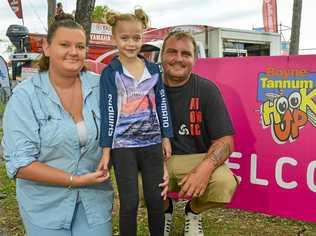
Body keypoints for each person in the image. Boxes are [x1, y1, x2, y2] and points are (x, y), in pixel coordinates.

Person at [1, 15, 113, 236]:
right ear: (47, 47)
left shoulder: (103, 87)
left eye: (80, 46)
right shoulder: (26, 97)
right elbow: (20, 163)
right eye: (65, 44)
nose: (73, 51)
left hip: (94, 200)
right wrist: (76, 180)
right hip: (45, 205)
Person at [97, 9, 173, 236]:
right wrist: (106, 150)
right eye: (124, 38)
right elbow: (108, 111)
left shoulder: (153, 70)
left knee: (155, 200)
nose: (131, 43)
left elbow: (162, 105)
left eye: (136, 38)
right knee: (129, 203)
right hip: (123, 148)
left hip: (151, 144)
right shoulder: (111, 72)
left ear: (144, 37)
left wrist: (166, 136)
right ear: (114, 38)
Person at [161, 31, 239, 236]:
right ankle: (164, 209)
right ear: (162, 56)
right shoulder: (148, 87)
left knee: (224, 184)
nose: (178, 58)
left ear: (195, 59)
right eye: (172, 52)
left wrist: (204, 169)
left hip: (197, 159)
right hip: (159, 159)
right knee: (137, 184)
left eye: (185, 54)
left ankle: (193, 211)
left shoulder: (207, 89)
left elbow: (226, 141)